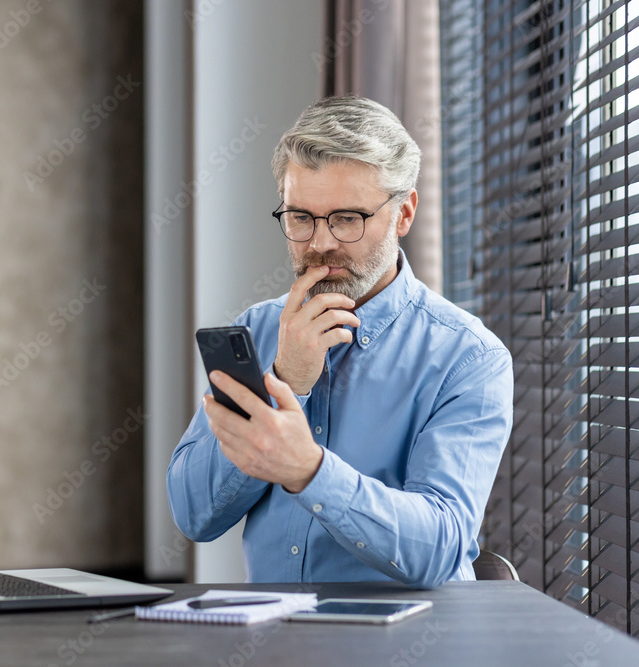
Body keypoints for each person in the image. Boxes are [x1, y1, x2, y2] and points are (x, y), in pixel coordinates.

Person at [166, 96, 513, 588]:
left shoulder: (469, 359)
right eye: (300, 217)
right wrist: (284, 381)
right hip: (274, 645)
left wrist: (309, 470)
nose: (319, 243)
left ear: (404, 214)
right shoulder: (258, 331)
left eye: (347, 219)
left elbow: (439, 548)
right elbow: (194, 515)